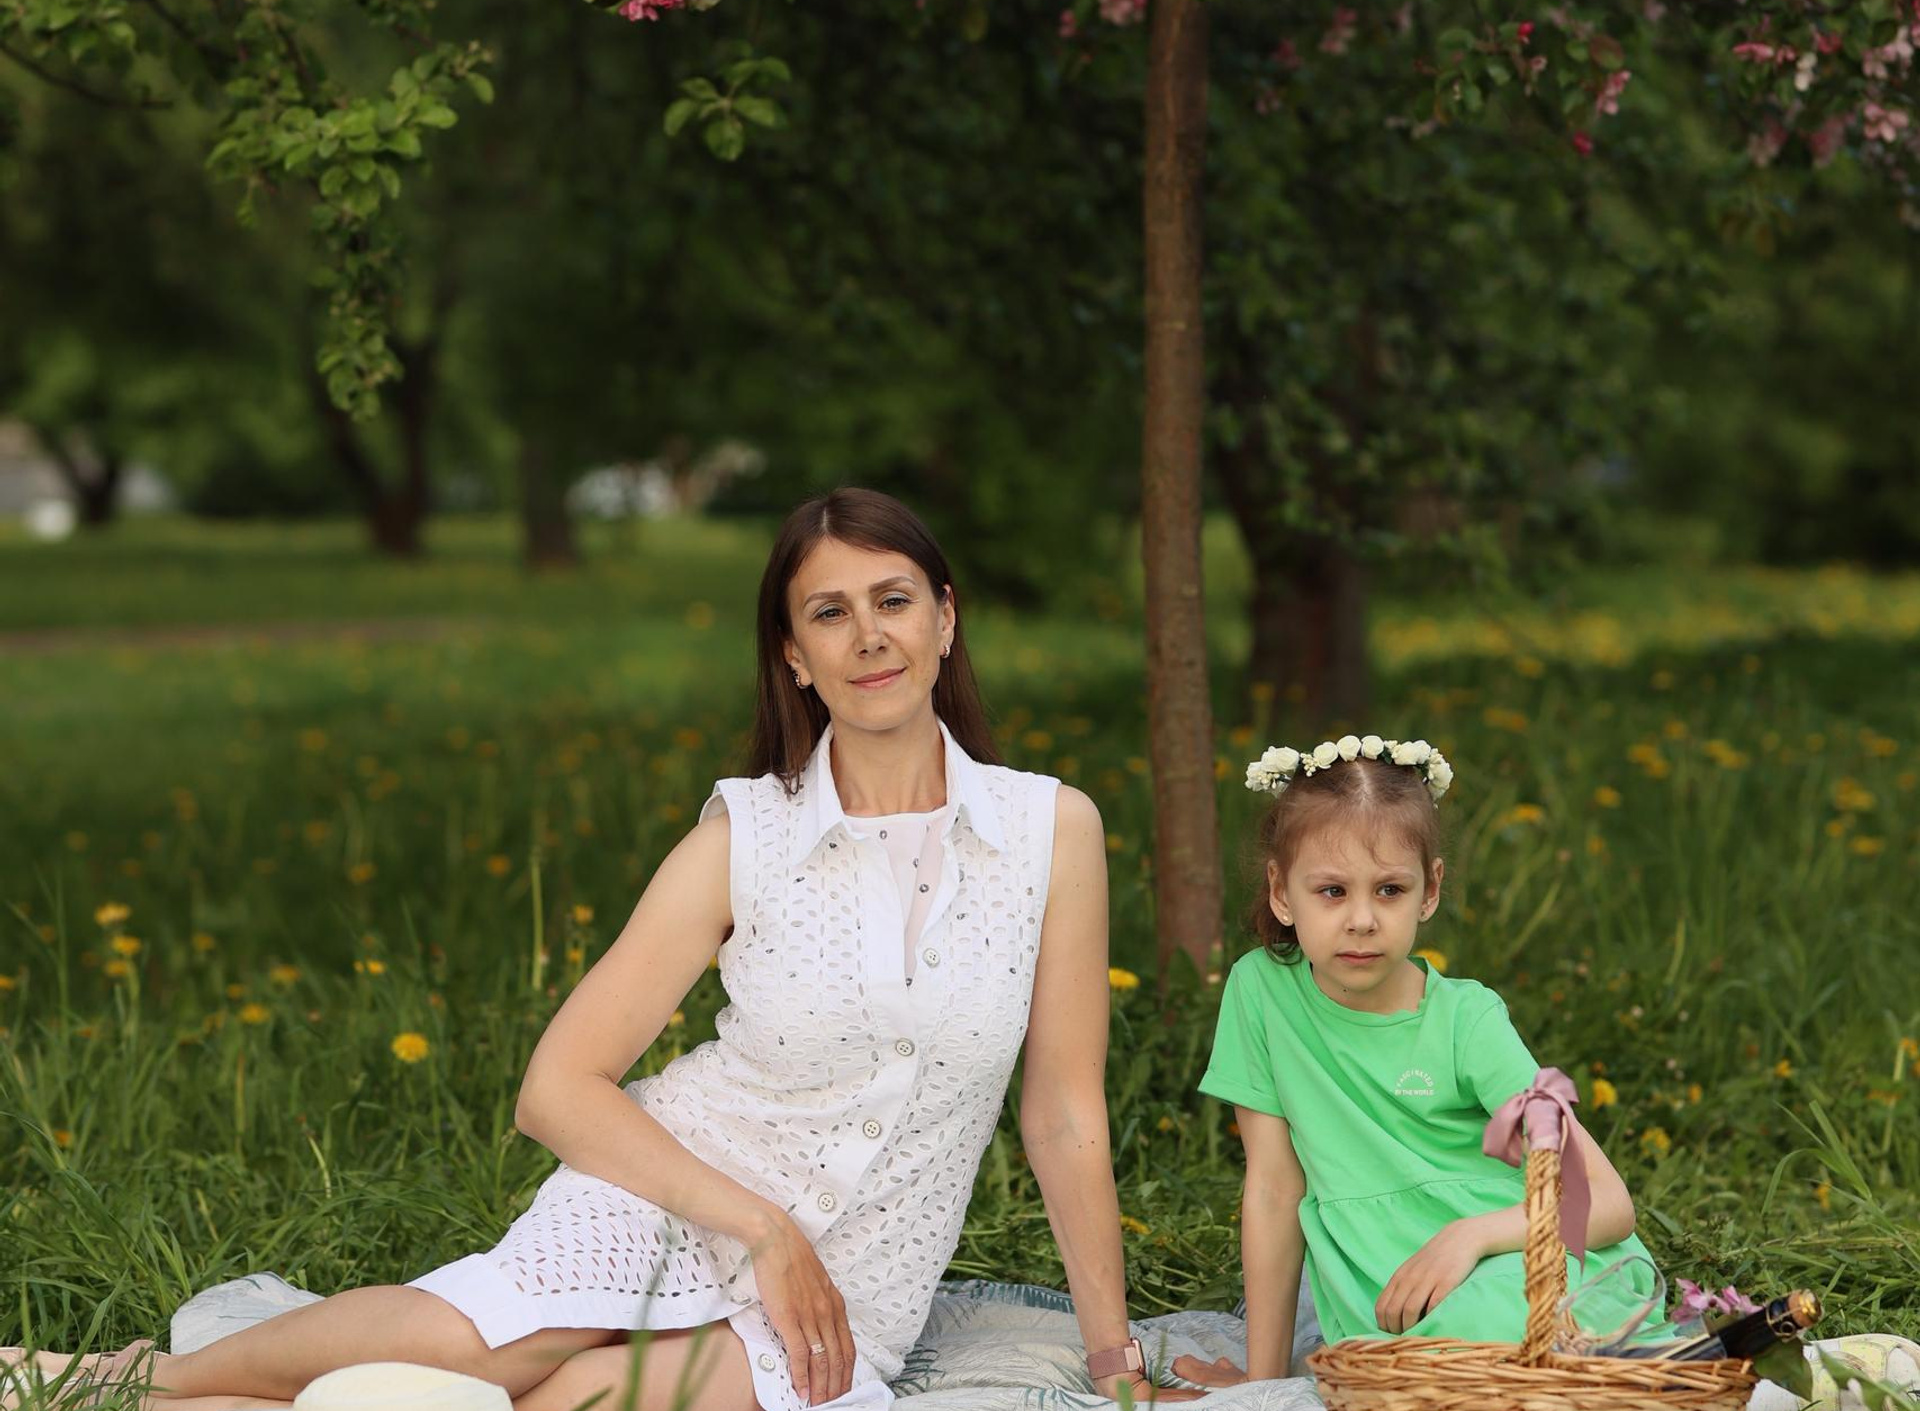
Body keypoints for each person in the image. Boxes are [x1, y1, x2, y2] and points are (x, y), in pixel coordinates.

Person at [5, 489, 1192, 1411]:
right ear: (793, 654)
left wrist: (1112, 1359)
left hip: (852, 1291)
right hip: (674, 1194)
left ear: (945, 617)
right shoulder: (747, 835)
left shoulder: (1051, 830)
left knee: (570, 1402)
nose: (869, 637)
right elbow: (557, 1088)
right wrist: (761, 1226)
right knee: (484, 1346)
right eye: (829, 613)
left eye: (893, 600)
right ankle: (128, 1383)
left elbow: (1063, 1113)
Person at [1171, 733, 1665, 1389]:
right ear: (1281, 892)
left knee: (1488, 1336)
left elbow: (1605, 1202)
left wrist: (1470, 1236)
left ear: (1429, 891)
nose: (1362, 920)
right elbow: (1273, 1189)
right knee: (1407, 1367)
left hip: (1519, 1260)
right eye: (1331, 891)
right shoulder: (1260, 993)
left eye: (1389, 890)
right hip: (1389, 1293)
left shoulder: (1467, 1021)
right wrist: (1262, 1382)